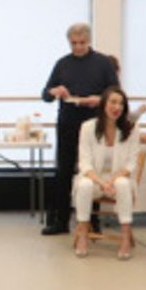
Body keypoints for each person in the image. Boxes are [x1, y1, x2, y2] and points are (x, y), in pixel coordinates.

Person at [41, 23, 119, 235]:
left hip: (94, 123)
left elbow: (116, 92)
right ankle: (61, 221)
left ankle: (92, 222)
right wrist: (54, 91)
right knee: (63, 171)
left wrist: (100, 99)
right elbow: (45, 95)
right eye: (73, 44)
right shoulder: (63, 64)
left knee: (91, 170)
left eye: (82, 43)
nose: (77, 47)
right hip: (67, 121)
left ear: (89, 41)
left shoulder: (103, 63)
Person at [72, 86, 142, 260]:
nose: (117, 107)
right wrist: (103, 183)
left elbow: (131, 164)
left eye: (121, 104)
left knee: (123, 184)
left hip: (118, 178)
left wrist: (111, 181)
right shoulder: (88, 127)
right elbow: (85, 163)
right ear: (104, 104)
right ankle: (83, 235)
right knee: (85, 185)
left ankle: (125, 238)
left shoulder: (131, 129)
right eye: (113, 102)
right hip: (94, 177)